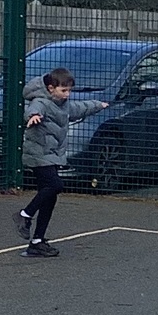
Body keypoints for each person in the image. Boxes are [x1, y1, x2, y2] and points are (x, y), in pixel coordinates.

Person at [19, 67, 108, 258]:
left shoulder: (63, 104)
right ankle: (25, 215)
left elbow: (79, 108)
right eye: (63, 90)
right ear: (51, 88)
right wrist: (33, 116)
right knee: (55, 185)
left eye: (69, 90)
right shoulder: (40, 101)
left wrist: (98, 105)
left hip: (52, 154)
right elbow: (33, 110)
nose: (67, 94)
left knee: (50, 197)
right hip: (38, 153)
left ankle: (37, 242)